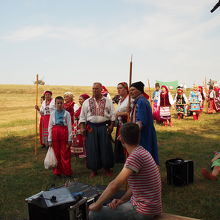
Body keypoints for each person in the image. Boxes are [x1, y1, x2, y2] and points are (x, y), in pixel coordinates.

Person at [89, 122, 162, 220]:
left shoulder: (135, 157)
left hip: (143, 210)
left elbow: (115, 185)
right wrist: (122, 200)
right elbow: (136, 187)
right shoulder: (142, 151)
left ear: (121, 139)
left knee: (93, 214)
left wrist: (97, 204)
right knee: (111, 201)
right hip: (151, 207)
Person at [79, 82, 115, 177]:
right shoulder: (87, 102)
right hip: (91, 128)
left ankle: (107, 168)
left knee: (105, 147)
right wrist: (82, 127)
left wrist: (111, 126)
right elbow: (82, 116)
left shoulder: (108, 101)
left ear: (101, 90)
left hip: (104, 127)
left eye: (97, 89)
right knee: (92, 148)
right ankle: (93, 169)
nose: (94, 90)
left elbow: (112, 114)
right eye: (93, 89)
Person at [129, 81, 159, 165]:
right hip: (145, 132)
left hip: (143, 133)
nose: (130, 92)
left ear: (139, 90)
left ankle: (146, 172)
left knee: (144, 154)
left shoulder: (141, 102)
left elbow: (140, 122)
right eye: (130, 90)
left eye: (133, 90)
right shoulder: (140, 101)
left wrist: (132, 134)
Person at [48, 96, 73, 177]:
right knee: (56, 153)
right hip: (55, 132)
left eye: (61, 103)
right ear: (55, 104)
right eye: (57, 103)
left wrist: (70, 138)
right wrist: (49, 139)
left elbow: (69, 126)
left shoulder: (67, 114)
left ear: (63, 104)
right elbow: (50, 126)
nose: (59, 105)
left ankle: (67, 172)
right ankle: (57, 171)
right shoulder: (52, 114)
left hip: (64, 133)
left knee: (65, 152)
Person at [71, 93, 90, 158]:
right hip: (76, 125)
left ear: (85, 100)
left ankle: (83, 153)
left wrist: (78, 118)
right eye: (79, 99)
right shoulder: (80, 107)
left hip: (82, 125)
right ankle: (77, 153)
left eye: (81, 99)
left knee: (82, 139)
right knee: (77, 139)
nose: (79, 101)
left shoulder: (87, 108)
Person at [114, 82, 129, 163]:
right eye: (117, 88)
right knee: (121, 142)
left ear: (126, 89)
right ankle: (122, 159)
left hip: (127, 124)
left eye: (120, 88)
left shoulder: (129, 99)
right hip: (121, 124)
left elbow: (130, 112)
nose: (118, 90)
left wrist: (119, 114)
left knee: (127, 142)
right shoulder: (120, 100)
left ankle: (128, 159)